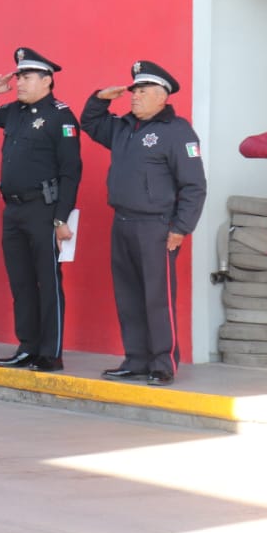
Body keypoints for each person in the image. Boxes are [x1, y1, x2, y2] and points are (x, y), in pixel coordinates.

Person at [80, 60, 206, 386]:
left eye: (143, 90)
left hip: (157, 227)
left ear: (162, 96)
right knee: (129, 296)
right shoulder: (122, 128)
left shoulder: (178, 132)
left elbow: (194, 185)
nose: (134, 95)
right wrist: (100, 98)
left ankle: (163, 363)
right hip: (122, 222)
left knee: (157, 297)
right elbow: (90, 123)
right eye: (134, 89)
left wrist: (181, 228)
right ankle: (136, 359)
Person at [0, 47, 82, 372]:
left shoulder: (61, 116)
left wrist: (62, 217)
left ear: (47, 80)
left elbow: (70, 171)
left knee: (47, 283)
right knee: (21, 283)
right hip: (14, 210)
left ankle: (50, 352)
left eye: (27, 76)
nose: (19, 82)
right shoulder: (15, 112)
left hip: (44, 211)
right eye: (18, 75)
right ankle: (27, 346)